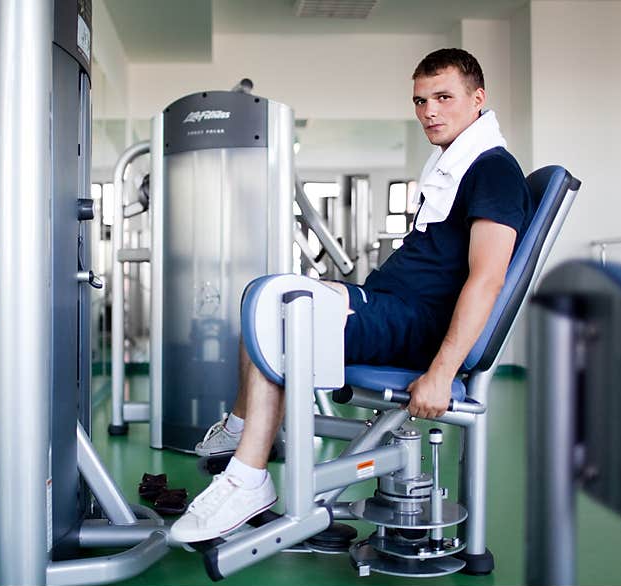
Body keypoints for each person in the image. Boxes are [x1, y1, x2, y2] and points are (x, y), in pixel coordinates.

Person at [170, 48, 532, 544]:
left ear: (478, 99)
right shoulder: (451, 166)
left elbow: (487, 279)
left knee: (283, 309)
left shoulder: (492, 170)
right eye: (420, 100)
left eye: (443, 97)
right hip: (393, 308)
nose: (429, 110)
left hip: (416, 326)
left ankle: (247, 477)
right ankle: (241, 428)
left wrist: (442, 373)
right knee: (268, 300)